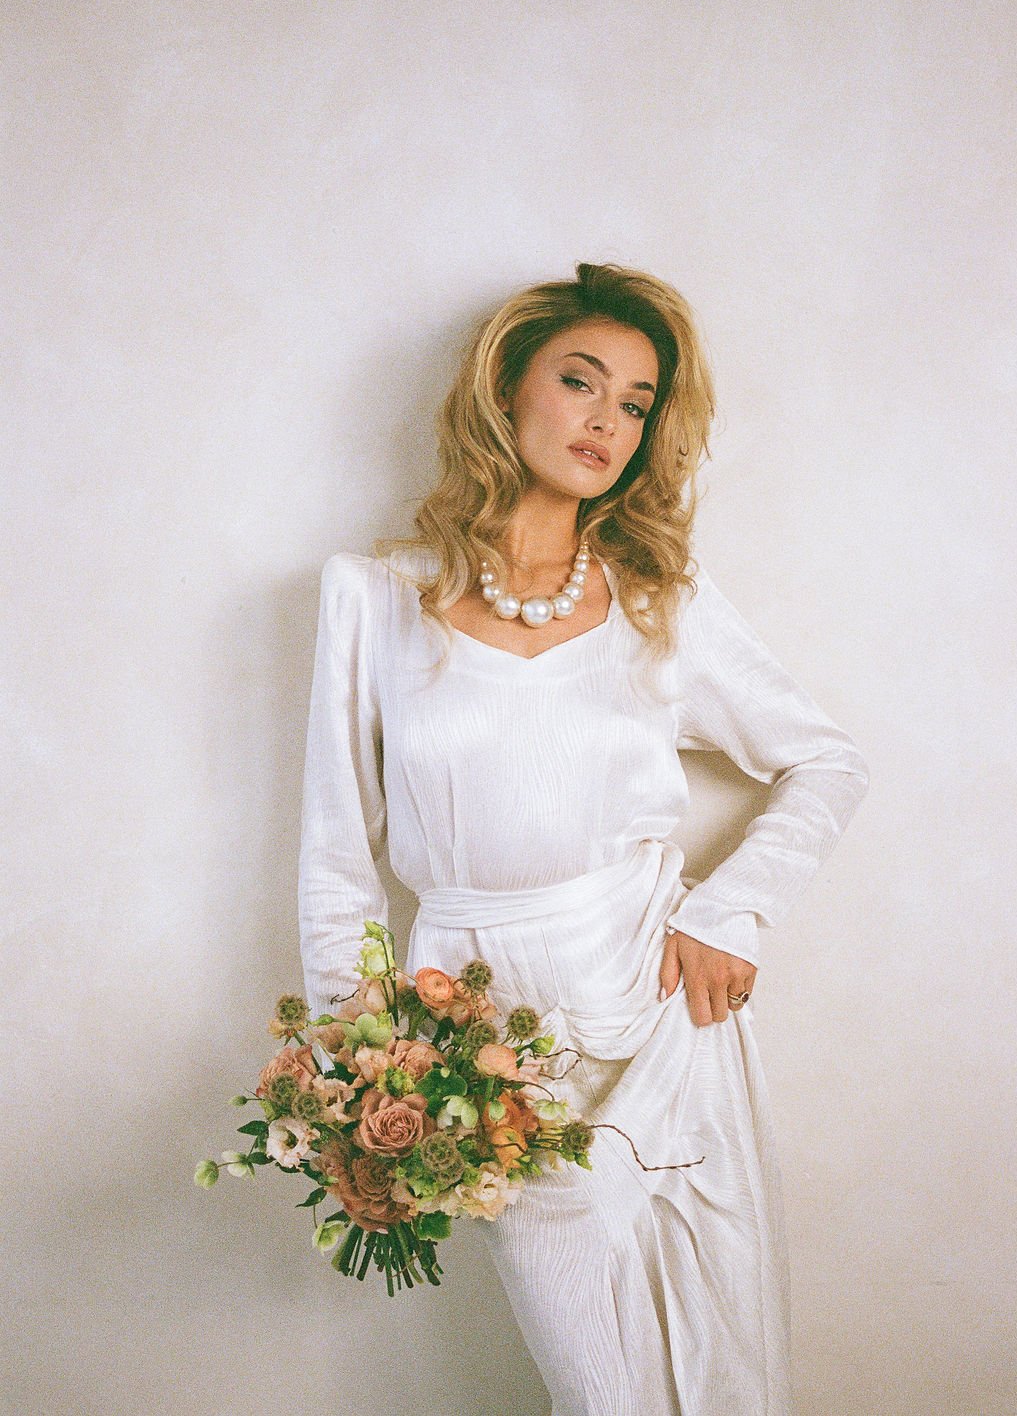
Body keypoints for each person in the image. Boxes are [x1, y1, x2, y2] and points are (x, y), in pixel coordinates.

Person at [297, 260, 870, 1416]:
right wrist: (356, 1068)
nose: (608, 419)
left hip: (661, 1011)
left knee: (724, 1364)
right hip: (483, 1039)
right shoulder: (372, 598)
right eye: (581, 380)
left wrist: (727, 907)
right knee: (599, 1383)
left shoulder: (663, 598)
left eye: (637, 402)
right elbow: (336, 862)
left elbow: (826, 759)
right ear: (506, 390)